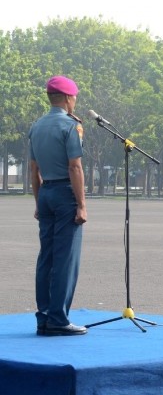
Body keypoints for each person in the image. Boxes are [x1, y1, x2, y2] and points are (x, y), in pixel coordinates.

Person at [29, 75, 88, 336]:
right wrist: (82, 205)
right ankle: (59, 318)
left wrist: (38, 200)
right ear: (67, 98)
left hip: (46, 192)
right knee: (66, 258)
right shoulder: (70, 126)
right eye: (74, 97)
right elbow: (75, 166)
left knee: (47, 257)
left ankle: (43, 316)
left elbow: (34, 169)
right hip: (65, 193)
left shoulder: (37, 126)